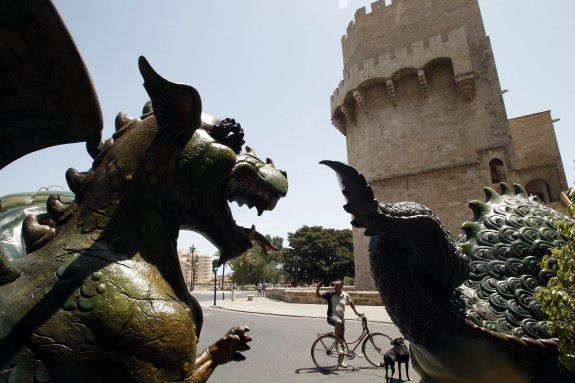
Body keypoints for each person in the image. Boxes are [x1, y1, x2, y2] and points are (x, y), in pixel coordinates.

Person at [315, 280, 362, 354]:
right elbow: (318, 296)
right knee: (338, 322)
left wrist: (357, 312)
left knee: (342, 341)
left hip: (341, 319)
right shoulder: (330, 294)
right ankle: (336, 344)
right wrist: (318, 288)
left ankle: (340, 361)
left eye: (337, 285)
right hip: (331, 316)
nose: (335, 286)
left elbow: (350, 302)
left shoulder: (345, 295)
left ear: (341, 286)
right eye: (334, 285)